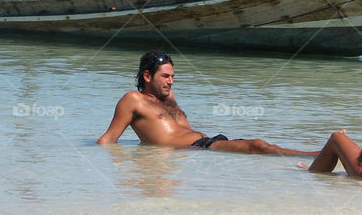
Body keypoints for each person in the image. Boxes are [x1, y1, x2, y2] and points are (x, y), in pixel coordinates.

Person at [97, 51, 314, 155]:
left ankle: (321, 159)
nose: (171, 81)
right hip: (199, 148)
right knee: (259, 146)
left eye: (172, 76)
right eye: (165, 76)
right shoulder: (133, 100)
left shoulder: (167, 97)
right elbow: (108, 140)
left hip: (208, 146)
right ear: (147, 76)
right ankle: (320, 156)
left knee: (261, 148)